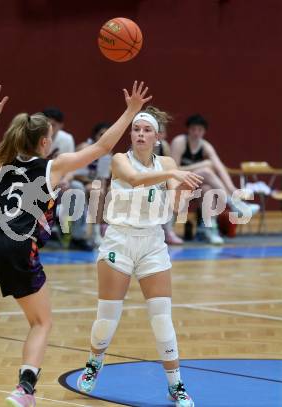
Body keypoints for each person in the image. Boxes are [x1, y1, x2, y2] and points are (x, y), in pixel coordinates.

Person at [0, 81, 152, 407]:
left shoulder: (3, 160)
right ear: (46, 142)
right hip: (18, 244)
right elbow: (103, 147)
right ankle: (24, 390)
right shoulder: (53, 167)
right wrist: (131, 110)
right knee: (41, 322)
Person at [77, 108, 203, 407]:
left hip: (152, 243)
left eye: (147, 130)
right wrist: (173, 174)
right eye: (137, 130)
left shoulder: (167, 163)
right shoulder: (120, 160)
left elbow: (174, 206)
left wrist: (183, 191)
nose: (141, 134)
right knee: (107, 317)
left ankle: (176, 385)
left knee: (161, 319)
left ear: (158, 137)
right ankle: (94, 364)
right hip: (119, 241)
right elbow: (134, 180)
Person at [170, 114, 259, 244]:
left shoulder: (205, 146)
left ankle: (210, 230)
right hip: (177, 186)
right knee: (206, 170)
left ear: (204, 132)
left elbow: (220, 168)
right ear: (188, 129)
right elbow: (174, 170)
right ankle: (236, 204)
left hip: (194, 187)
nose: (196, 133)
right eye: (193, 129)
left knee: (208, 189)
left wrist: (232, 187)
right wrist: (202, 164)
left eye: (199, 130)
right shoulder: (179, 142)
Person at [42, 107, 93, 250]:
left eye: (54, 124)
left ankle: (77, 237)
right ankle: (46, 231)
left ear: (61, 125)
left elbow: (71, 168)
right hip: (39, 180)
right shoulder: (35, 137)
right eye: (47, 123)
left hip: (59, 181)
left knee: (78, 188)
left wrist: (66, 180)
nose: (50, 127)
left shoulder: (66, 139)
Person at [147, 106, 184, 245]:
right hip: (142, 182)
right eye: (157, 132)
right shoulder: (139, 146)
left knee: (174, 191)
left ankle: (168, 231)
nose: (159, 135)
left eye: (162, 132)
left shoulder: (164, 146)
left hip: (160, 181)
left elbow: (171, 168)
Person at [74, 122, 112, 246]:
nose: (104, 136)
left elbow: (103, 178)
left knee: (103, 193)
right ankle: (94, 234)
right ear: (95, 136)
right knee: (96, 191)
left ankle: (99, 232)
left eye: (108, 134)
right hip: (75, 181)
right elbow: (74, 172)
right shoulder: (84, 147)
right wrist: (91, 183)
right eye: (101, 134)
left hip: (92, 183)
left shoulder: (107, 154)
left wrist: (104, 190)